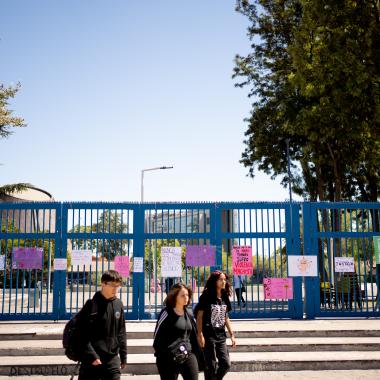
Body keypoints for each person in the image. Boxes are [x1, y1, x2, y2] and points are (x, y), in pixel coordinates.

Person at [77, 270, 127, 380]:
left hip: (112, 360)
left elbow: (121, 331)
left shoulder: (119, 304)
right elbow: (81, 334)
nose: (115, 289)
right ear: (103, 284)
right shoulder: (91, 305)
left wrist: (123, 356)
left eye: (118, 286)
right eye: (112, 285)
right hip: (92, 361)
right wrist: (92, 356)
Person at [153, 283, 203, 380]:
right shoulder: (166, 313)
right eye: (182, 295)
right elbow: (157, 338)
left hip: (187, 354)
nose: (186, 298)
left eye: (187, 295)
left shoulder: (189, 314)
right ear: (175, 297)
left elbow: (193, 335)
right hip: (169, 358)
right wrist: (164, 355)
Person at [196, 270, 236, 380]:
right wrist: (200, 334)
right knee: (210, 366)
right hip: (208, 335)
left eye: (224, 279)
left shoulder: (224, 296)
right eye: (220, 279)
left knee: (226, 364)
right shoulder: (207, 296)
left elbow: (225, 316)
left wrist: (232, 334)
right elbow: (199, 316)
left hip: (221, 336)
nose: (223, 282)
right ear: (215, 281)